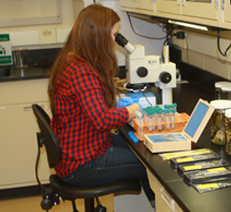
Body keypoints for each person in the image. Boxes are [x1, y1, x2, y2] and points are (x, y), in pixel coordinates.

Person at [47, 3, 154, 205]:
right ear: (99, 35)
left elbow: (92, 108)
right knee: (152, 165)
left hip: (79, 149)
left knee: (145, 148)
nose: (115, 41)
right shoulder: (82, 70)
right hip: (83, 164)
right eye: (114, 35)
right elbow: (102, 119)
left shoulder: (71, 60)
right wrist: (134, 109)